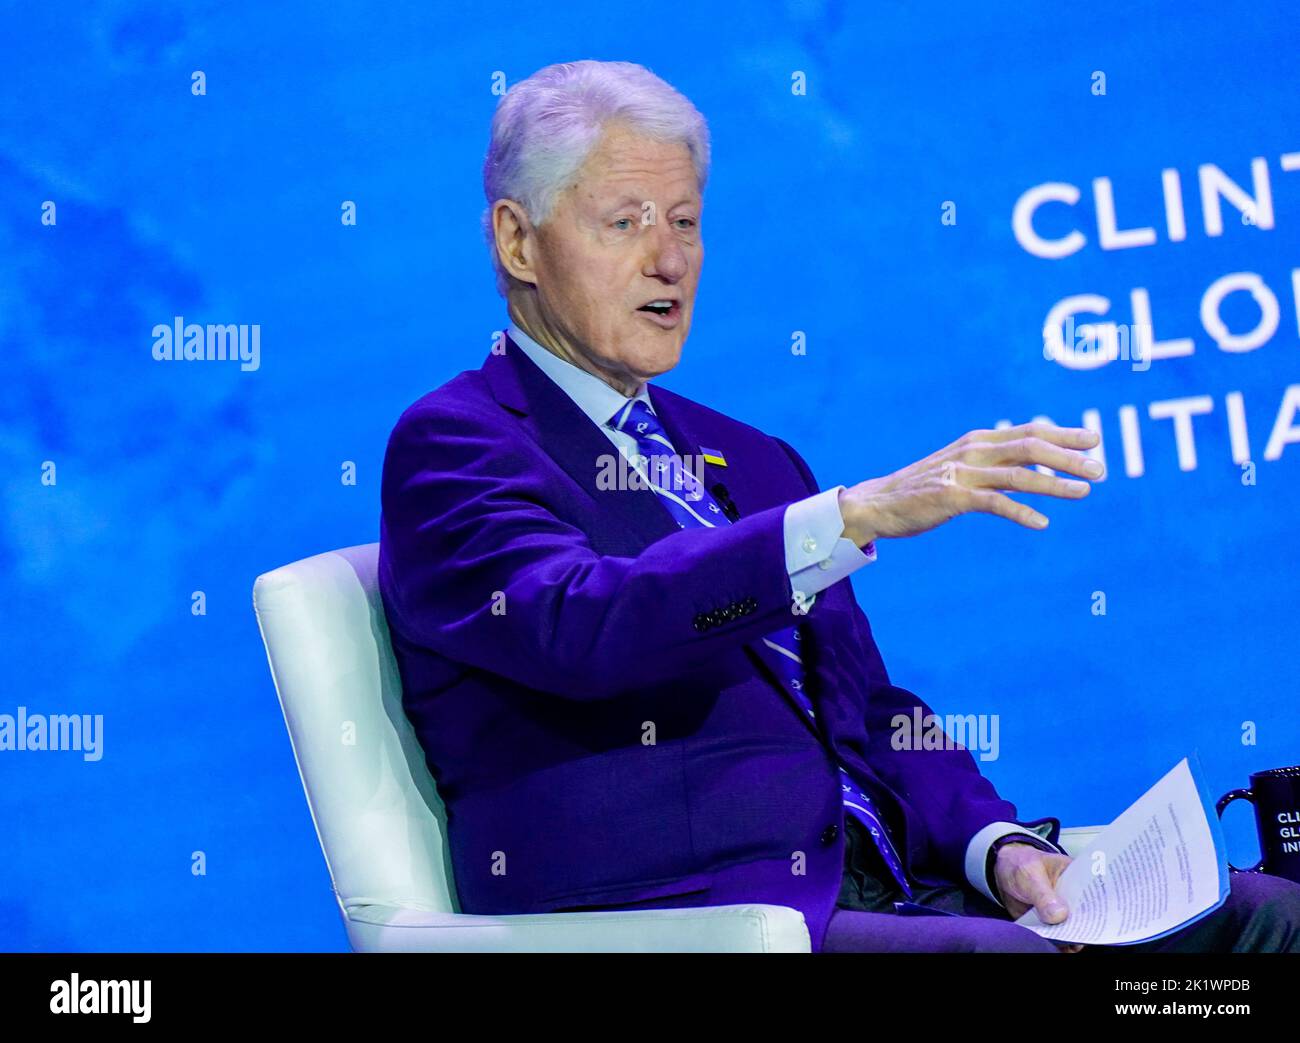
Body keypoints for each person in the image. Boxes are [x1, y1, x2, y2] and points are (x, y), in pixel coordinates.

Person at [377, 59, 1300, 952]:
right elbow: (587, 621)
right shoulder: (456, 447)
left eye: (687, 222)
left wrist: (999, 846)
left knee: (1263, 917)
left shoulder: (749, 454)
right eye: (625, 223)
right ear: (516, 239)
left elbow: (870, 708)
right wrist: (846, 520)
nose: (669, 260)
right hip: (701, 922)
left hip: (896, 895)